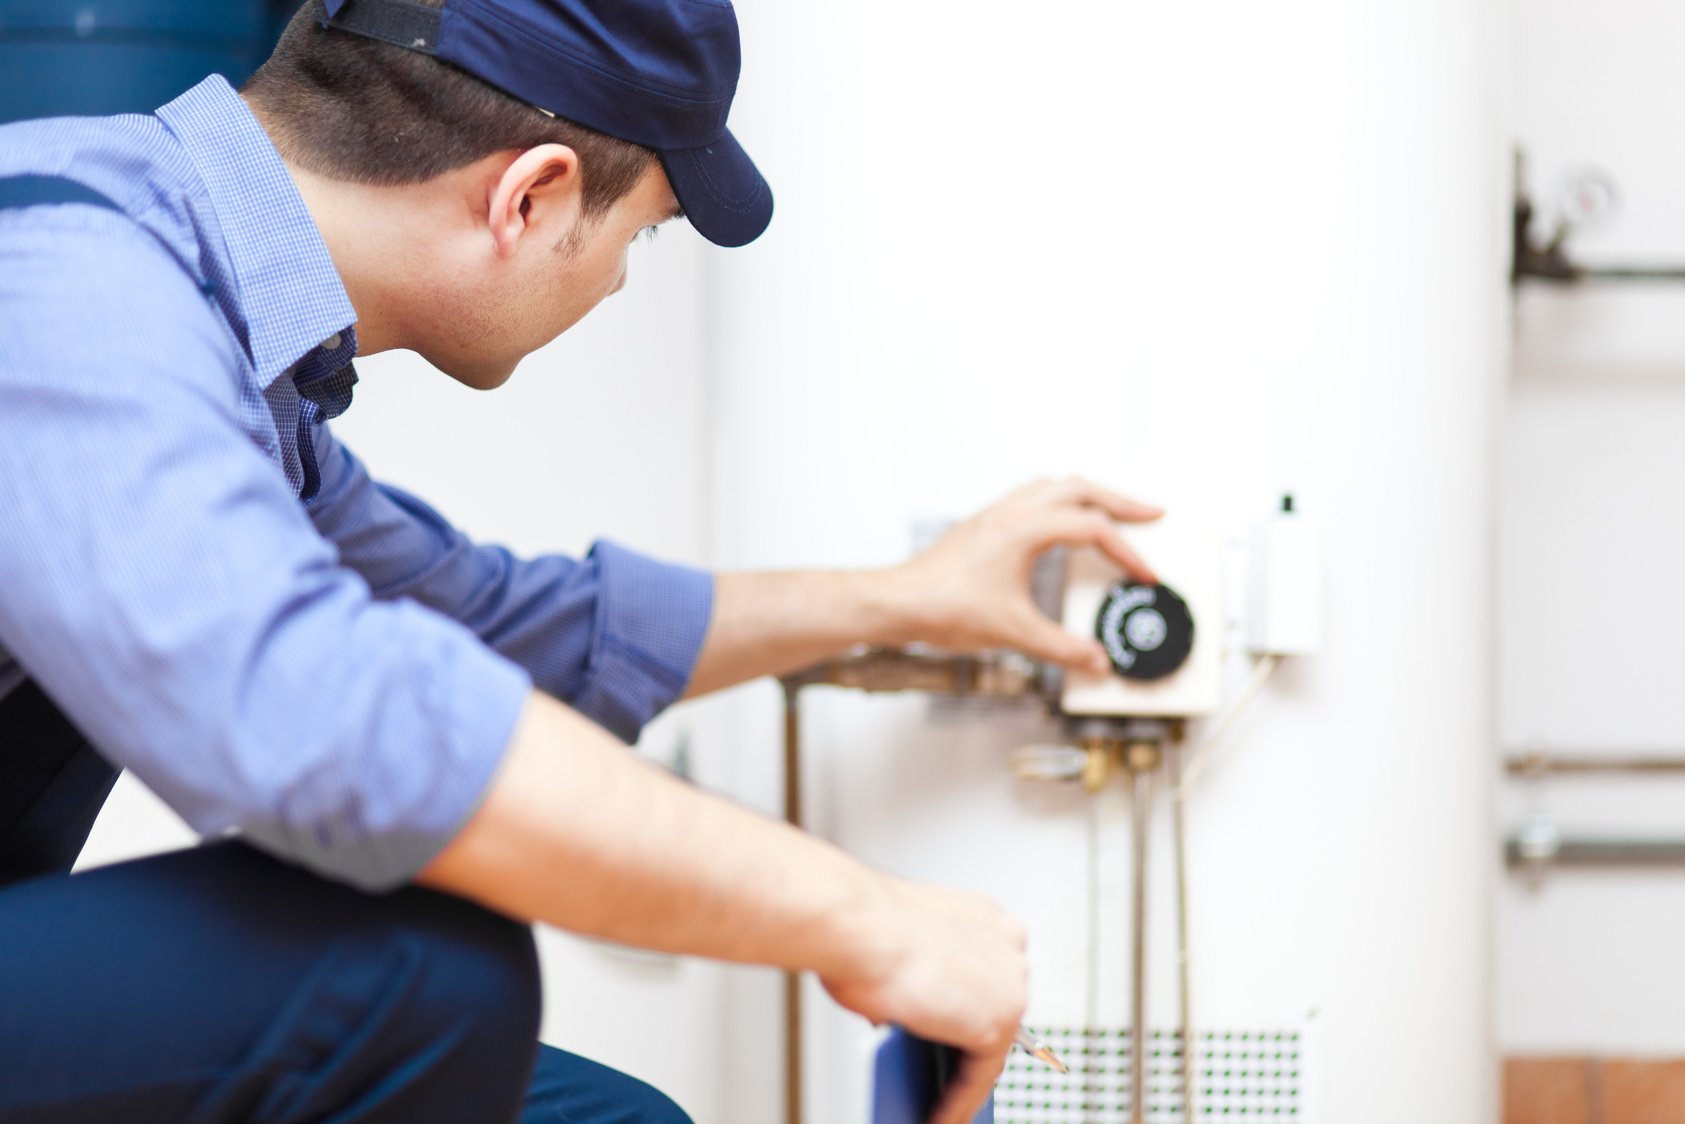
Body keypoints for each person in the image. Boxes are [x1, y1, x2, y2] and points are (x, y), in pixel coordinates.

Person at [0, 1, 1161, 1120]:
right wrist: (866, 916)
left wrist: (905, 600)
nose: (615, 278)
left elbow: (493, 625)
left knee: (599, 1115)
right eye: (640, 233)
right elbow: (335, 722)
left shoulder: (224, 335)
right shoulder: (72, 280)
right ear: (532, 195)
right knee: (420, 968)